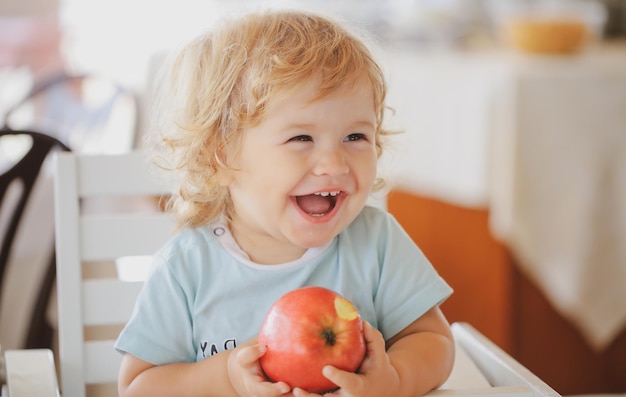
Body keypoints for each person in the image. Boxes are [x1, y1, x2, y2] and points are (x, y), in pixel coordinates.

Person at [115, 9, 454, 397]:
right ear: (221, 157)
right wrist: (227, 377)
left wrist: (395, 379)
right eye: (302, 138)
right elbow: (138, 386)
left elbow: (433, 341)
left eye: (355, 136)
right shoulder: (187, 266)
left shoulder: (375, 243)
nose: (334, 164)